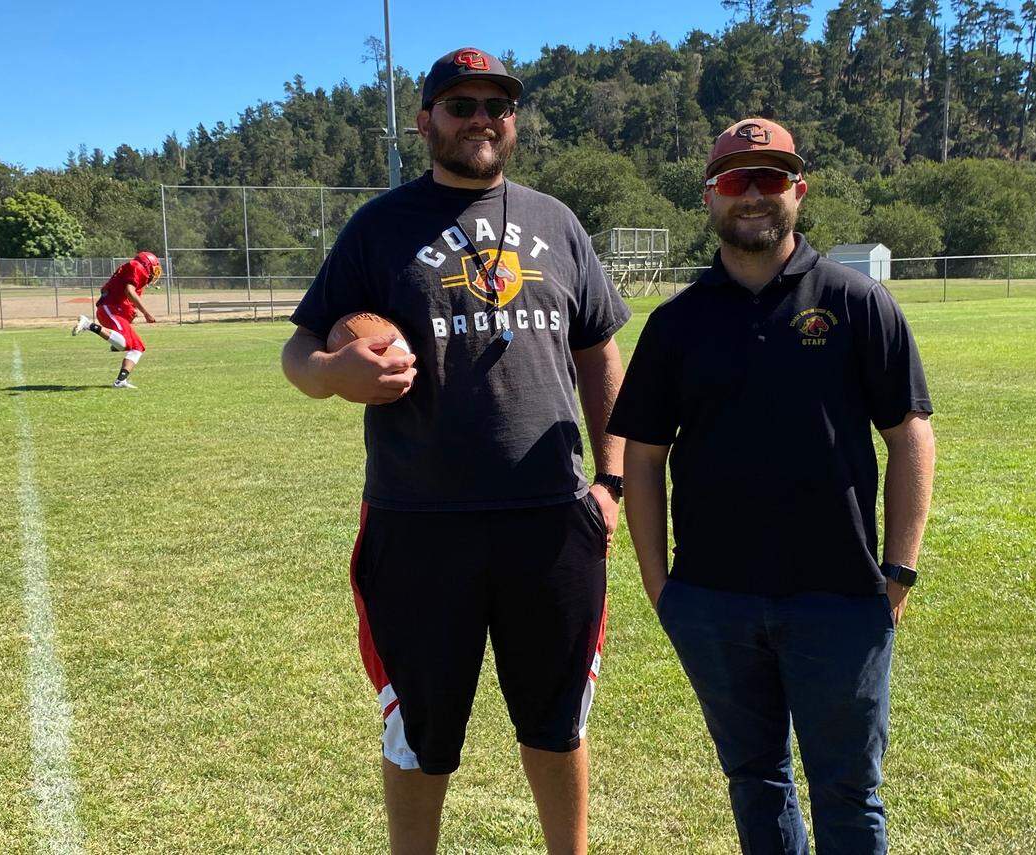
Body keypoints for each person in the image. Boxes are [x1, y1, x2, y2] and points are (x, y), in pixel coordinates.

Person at [280, 47, 629, 855]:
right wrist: (335, 370)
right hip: (418, 522)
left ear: (512, 120)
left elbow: (601, 352)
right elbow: (299, 356)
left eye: (495, 105)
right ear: (425, 119)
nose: (481, 118)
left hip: (550, 520)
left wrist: (609, 480)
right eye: (460, 104)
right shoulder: (379, 226)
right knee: (420, 731)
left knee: (557, 722)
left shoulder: (555, 220)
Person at [607, 117, 936, 854]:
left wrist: (899, 574)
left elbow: (910, 435)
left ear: (799, 190)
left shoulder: (857, 303)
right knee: (755, 781)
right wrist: (662, 585)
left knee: (849, 793)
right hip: (715, 602)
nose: (752, 194)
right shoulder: (676, 324)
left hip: (842, 601)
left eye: (771, 177)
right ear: (709, 198)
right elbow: (645, 454)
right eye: (735, 179)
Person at [71, 250, 161, 388]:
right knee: (124, 344)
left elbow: (127, 295)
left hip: (117, 310)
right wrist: (146, 313)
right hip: (110, 308)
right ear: (147, 265)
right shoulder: (137, 267)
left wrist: (131, 311)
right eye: (153, 269)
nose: (154, 273)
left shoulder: (137, 273)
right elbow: (129, 291)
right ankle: (88, 324)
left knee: (138, 348)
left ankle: (120, 381)